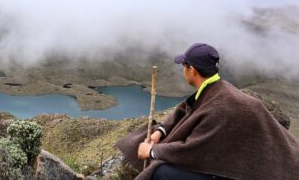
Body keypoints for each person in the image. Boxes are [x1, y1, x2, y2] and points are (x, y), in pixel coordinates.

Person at [116, 43, 299, 180]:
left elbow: (192, 150)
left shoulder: (219, 107)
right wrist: (160, 131)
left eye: (184, 66)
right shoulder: (217, 87)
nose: (183, 70)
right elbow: (186, 108)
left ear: (192, 70)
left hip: (230, 172)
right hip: (238, 160)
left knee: (160, 172)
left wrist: (152, 151)